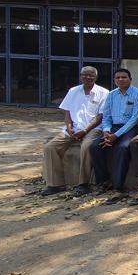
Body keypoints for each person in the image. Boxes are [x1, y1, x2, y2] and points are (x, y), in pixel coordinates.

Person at [40, 66, 108, 196]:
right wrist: (69, 127)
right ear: (81, 76)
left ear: (95, 77)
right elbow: (68, 112)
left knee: (86, 148)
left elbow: (100, 117)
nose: (88, 77)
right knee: (50, 147)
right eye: (85, 75)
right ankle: (55, 184)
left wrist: (85, 130)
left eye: (91, 75)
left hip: (93, 129)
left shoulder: (104, 93)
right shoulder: (73, 91)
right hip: (73, 129)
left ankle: (83, 184)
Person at [90, 68, 138, 197]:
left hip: (129, 129)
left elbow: (134, 119)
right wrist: (106, 131)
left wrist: (116, 136)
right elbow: (106, 115)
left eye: (124, 77)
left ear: (130, 80)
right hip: (112, 128)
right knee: (95, 147)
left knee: (122, 148)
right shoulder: (111, 94)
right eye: (118, 78)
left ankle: (118, 186)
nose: (120, 80)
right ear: (114, 80)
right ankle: (103, 182)